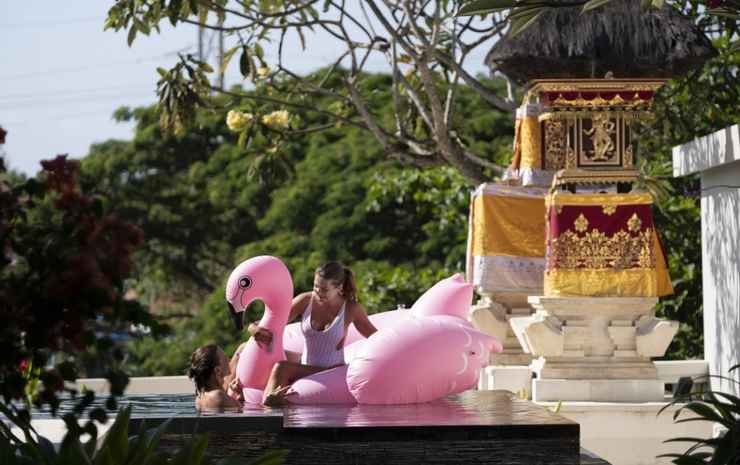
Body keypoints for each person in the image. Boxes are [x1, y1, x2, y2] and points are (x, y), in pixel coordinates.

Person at [248, 261, 377, 406]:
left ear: (339, 288)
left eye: (324, 289)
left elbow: (376, 338)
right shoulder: (305, 301)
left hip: (332, 371)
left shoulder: (351, 309)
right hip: (306, 366)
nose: (318, 292)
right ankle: (266, 400)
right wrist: (252, 328)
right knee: (267, 353)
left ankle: (267, 406)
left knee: (281, 367)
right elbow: (271, 321)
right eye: (315, 286)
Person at [188, 344, 243, 411]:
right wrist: (241, 396)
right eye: (225, 358)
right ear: (217, 370)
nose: (229, 359)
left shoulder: (199, 398)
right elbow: (243, 413)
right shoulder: (218, 396)